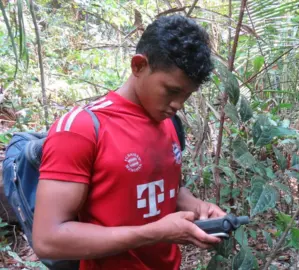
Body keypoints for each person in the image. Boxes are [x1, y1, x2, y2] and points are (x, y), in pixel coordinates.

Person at [32, 15, 225, 270]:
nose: (178, 104)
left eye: (187, 95)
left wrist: (200, 208)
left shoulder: (169, 123)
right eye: (171, 90)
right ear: (138, 66)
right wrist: (154, 232)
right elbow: (48, 239)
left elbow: (165, 189)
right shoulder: (81, 129)